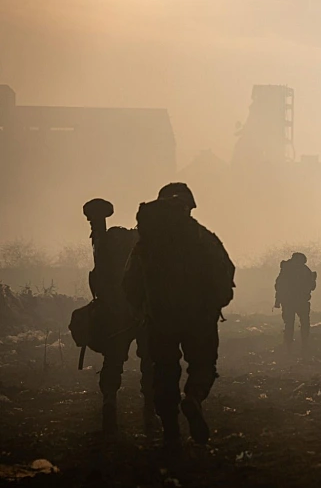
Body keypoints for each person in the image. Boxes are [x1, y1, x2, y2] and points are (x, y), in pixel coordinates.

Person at [124, 189, 235, 449]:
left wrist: (143, 310)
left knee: (164, 372)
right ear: (189, 207)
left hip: (160, 319)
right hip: (199, 318)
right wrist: (215, 304)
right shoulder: (202, 237)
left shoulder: (147, 242)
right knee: (203, 365)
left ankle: (171, 431)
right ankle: (194, 397)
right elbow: (224, 272)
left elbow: (129, 282)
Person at [82, 198, 154, 434]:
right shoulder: (142, 245)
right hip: (141, 312)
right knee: (148, 361)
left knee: (113, 360)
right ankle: (150, 406)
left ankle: (110, 401)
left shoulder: (102, 244)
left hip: (116, 312)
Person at [274, 252, 317, 353]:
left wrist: (278, 300)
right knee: (301, 323)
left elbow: (279, 286)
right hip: (298, 301)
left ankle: (291, 345)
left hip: (292, 301)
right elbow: (312, 286)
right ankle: (301, 345)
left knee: (291, 323)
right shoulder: (304, 270)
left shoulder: (287, 270)